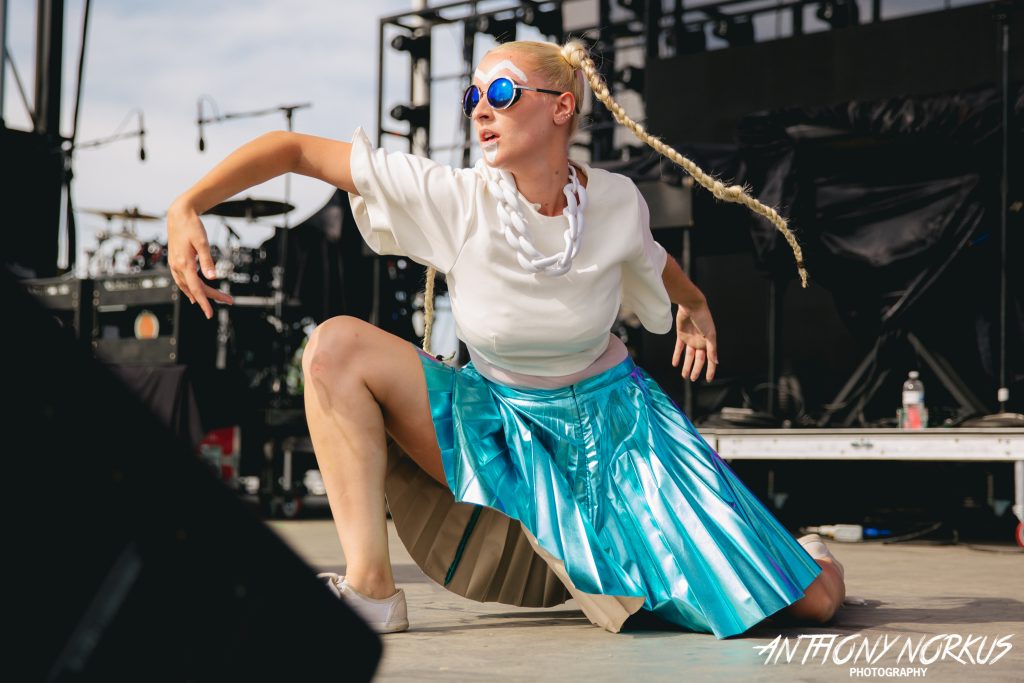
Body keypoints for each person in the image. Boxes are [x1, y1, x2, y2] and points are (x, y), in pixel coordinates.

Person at [165, 37, 845, 637]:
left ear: (561, 107)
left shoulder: (614, 201)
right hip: (500, 430)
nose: (479, 110)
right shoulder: (456, 196)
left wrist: (692, 302)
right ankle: (371, 590)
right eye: (472, 96)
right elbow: (294, 151)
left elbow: (651, 256)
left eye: (500, 93)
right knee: (335, 346)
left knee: (807, 602)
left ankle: (808, 550)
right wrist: (187, 205)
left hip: (620, 436)